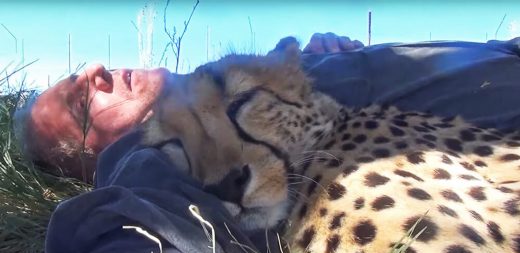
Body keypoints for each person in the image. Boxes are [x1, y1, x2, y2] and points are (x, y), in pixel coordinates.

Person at [30, 32, 520, 253]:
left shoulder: (242, 67)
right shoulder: (142, 155)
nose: (96, 69)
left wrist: (328, 53)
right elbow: (142, 231)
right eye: (80, 102)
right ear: (89, 158)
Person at [15, 33, 363, 182]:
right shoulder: (153, 170)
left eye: (81, 74)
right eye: (81, 102)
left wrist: (308, 55)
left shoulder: (203, 85)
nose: (97, 69)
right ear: (97, 158)